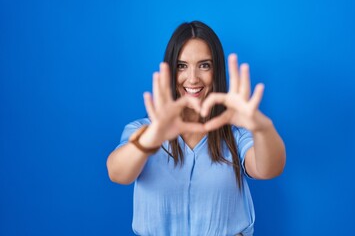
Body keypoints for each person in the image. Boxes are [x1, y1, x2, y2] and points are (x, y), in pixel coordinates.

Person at [106, 21, 286, 236]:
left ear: (216, 70)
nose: (192, 78)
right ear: (170, 71)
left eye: (204, 65)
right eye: (182, 66)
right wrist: (150, 138)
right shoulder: (142, 131)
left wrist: (262, 126)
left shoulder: (235, 134)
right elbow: (117, 173)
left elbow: (269, 169)